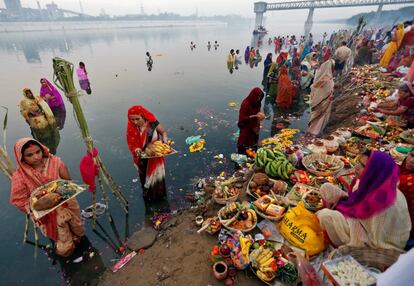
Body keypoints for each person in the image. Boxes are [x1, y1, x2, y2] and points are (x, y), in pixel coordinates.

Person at [317, 150, 411, 250]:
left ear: (374, 171)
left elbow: (377, 242)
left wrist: (346, 222)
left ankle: (333, 232)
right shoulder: (368, 182)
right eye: (359, 162)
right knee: (326, 188)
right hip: (361, 219)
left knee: (325, 216)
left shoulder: (385, 203)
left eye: (363, 166)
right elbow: (355, 199)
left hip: (372, 242)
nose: (356, 167)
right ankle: (335, 220)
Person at [10, 138, 84, 256]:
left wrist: (61, 190)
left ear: (42, 149)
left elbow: (68, 181)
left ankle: (78, 237)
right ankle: (67, 245)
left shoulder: (55, 161)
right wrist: (40, 203)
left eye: (38, 152)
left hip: (66, 202)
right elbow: (19, 201)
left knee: (77, 227)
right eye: (29, 155)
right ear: (21, 157)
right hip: (47, 212)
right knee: (63, 241)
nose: (36, 157)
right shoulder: (19, 176)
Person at [126, 106, 168, 202]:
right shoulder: (132, 128)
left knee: (158, 179)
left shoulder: (152, 124)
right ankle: (149, 199)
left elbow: (163, 132)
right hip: (143, 160)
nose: (135, 122)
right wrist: (137, 150)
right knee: (146, 180)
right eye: (132, 119)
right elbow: (132, 143)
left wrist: (165, 140)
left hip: (157, 156)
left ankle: (160, 198)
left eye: (137, 119)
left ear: (143, 116)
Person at [307, 59, 335, 136]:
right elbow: (322, 89)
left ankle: (315, 131)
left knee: (320, 117)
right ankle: (315, 132)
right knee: (320, 117)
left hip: (324, 100)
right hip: (323, 100)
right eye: (332, 67)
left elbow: (315, 87)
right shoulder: (326, 78)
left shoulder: (325, 76)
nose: (333, 69)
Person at [237, 88, 265, 154]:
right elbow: (242, 117)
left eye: (260, 97)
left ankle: (252, 149)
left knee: (253, 139)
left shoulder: (257, 103)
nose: (258, 99)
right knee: (244, 139)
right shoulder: (245, 103)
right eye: (257, 97)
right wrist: (254, 116)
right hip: (246, 124)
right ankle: (241, 151)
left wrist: (260, 115)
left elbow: (258, 111)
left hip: (254, 124)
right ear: (253, 96)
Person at [400, 149, 414, 239]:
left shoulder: (408, 181)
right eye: (412, 155)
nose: (412, 160)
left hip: (406, 226)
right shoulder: (405, 163)